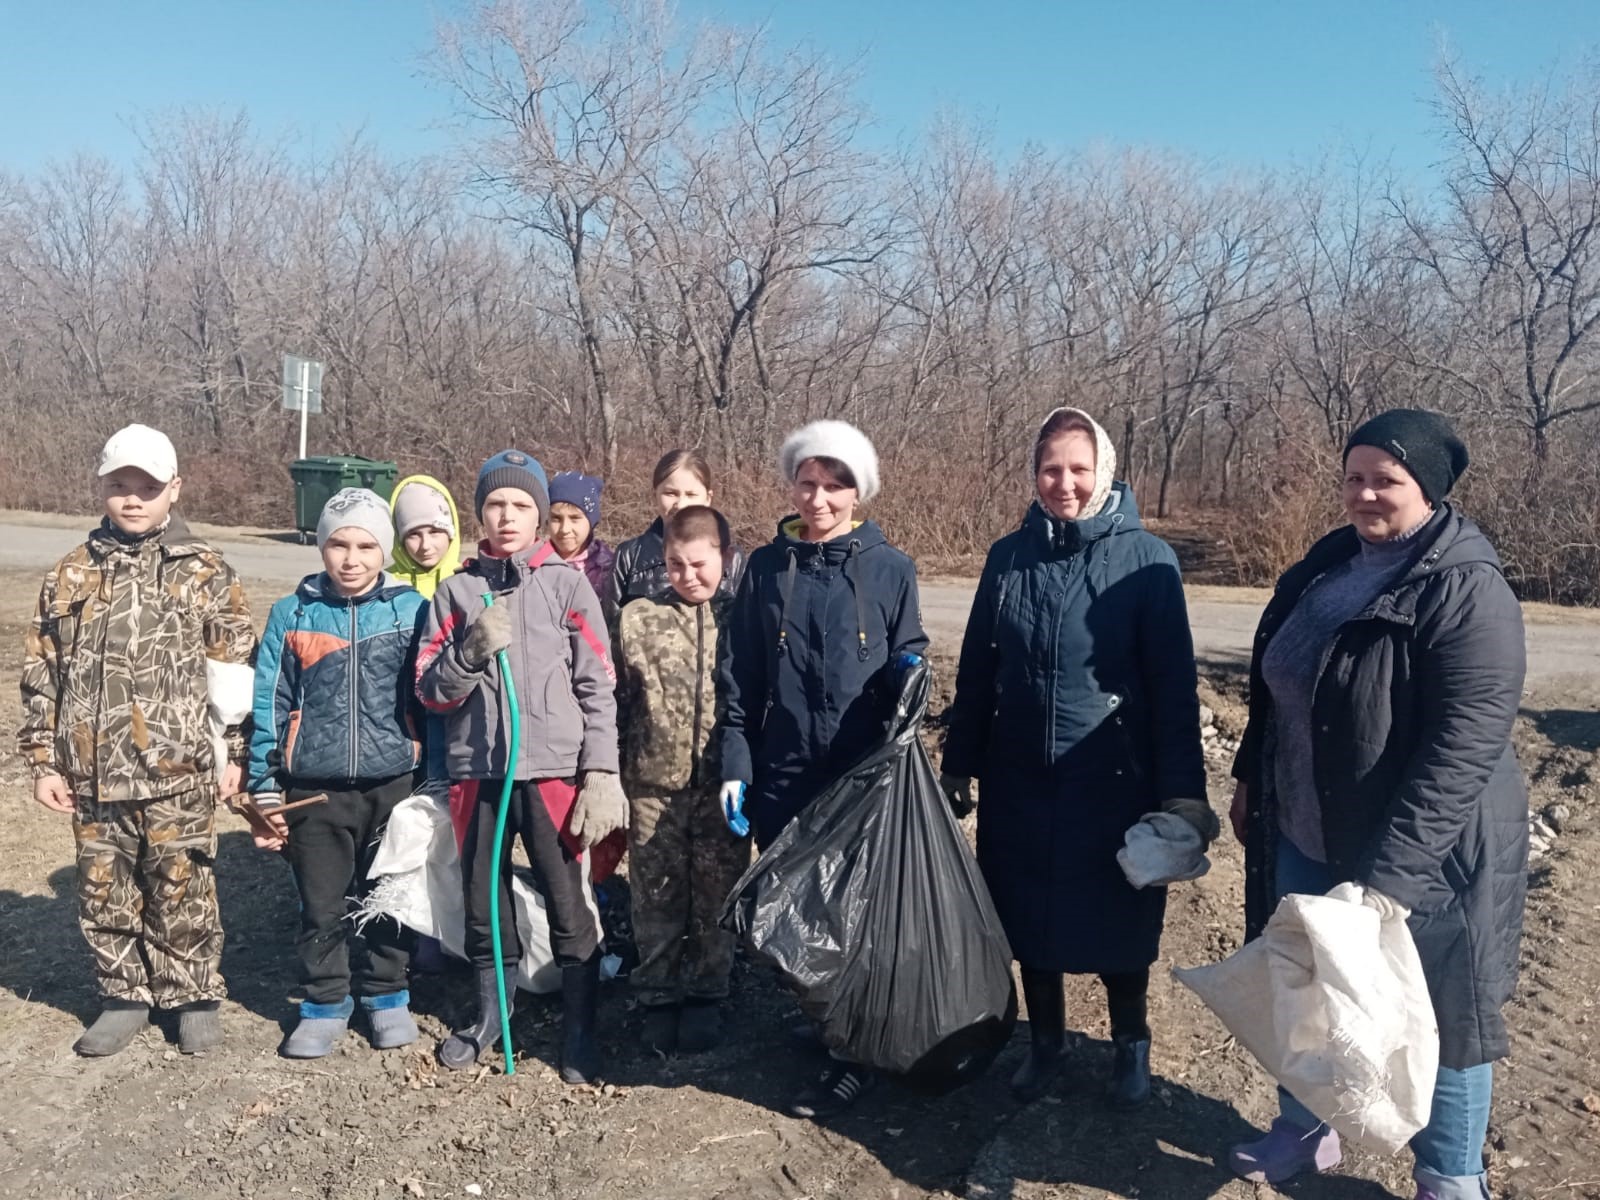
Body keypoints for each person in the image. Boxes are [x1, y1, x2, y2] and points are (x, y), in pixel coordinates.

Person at [1226, 410, 1527, 1200]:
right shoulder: (1328, 564)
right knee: (1305, 985)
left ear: (1425, 488)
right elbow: (1277, 686)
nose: (1365, 494)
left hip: (1425, 854)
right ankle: (1307, 1126)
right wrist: (1252, 775)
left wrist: (1389, 879)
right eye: (1354, 477)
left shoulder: (1466, 588)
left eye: (1386, 480)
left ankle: (1451, 1179)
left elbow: (1462, 747)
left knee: (1442, 1021)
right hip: (1305, 825)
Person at [939, 408, 1211, 1111]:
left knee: (1119, 915)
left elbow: (1173, 688)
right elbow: (978, 669)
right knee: (1028, 914)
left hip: (1114, 778)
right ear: (1035, 473)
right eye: (1051, 468)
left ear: (1106, 473)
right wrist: (960, 762)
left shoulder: (1148, 561)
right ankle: (1048, 1042)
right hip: (1020, 774)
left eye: (1078, 469)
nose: (1064, 483)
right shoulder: (1008, 557)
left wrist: (1183, 793)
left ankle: (1131, 1044)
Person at [18, 424, 257, 1057]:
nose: (132, 498)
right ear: (101, 487)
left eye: (147, 487)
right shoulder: (69, 574)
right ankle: (123, 994)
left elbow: (232, 669)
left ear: (173, 489)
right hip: (93, 771)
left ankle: (193, 995)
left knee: (183, 883)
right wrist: (45, 759)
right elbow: (43, 672)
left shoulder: (204, 570)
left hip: (177, 768)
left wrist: (232, 751)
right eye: (119, 485)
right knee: (104, 887)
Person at [718, 419, 928, 1118]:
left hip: (859, 775)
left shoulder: (890, 567)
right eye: (807, 482)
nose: (819, 497)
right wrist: (736, 763)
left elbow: (912, 648)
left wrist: (910, 674)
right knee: (799, 912)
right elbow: (740, 675)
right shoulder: (767, 569)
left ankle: (852, 1056)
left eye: (834, 484)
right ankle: (825, 1023)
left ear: (857, 491)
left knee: (856, 914)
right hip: (785, 769)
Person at [416, 449, 629, 1084]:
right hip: (478, 771)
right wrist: (471, 650)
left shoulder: (568, 586)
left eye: (521, 506)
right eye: (495, 504)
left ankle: (579, 1030)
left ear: (538, 516)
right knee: (484, 899)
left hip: (554, 771)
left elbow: (598, 687)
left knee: (569, 899)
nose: (507, 517)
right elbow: (430, 691)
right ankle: (492, 1016)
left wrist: (602, 771)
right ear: (479, 512)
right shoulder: (456, 590)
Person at [247, 488, 429, 1057]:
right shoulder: (292, 613)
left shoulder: (412, 611)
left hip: (394, 781)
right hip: (314, 789)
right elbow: (269, 701)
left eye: (366, 546)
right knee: (321, 900)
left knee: (388, 893)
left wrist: (436, 777)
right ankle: (324, 1001)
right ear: (321, 546)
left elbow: (428, 700)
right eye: (338, 544)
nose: (351, 558)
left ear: (386, 550)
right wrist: (263, 783)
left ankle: (387, 994)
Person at [615, 505, 750, 1055]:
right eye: (675, 564)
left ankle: (707, 992)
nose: (688, 575)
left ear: (724, 557)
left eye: (699, 563)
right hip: (652, 784)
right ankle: (658, 994)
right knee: (656, 895)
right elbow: (619, 700)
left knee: (718, 892)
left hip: (722, 785)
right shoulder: (638, 617)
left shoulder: (744, 618)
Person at [609, 449, 744, 613]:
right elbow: (611, 624)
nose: (680, 504)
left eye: (691, 494)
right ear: (655, 495)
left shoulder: (731, 557)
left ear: (708, 498)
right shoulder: (630, 555)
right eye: (670, 493)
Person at [547, 471, 617, 620]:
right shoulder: (534, 564)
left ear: (591, 522)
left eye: (575, 518)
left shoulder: (609, 568)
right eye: (556, 518)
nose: (564, 529)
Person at [389, 474, 462, 599]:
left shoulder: (466, 582)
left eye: (434, 532)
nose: (425, 546)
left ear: (450, 534)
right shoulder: (385, 586)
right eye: (414, 534)